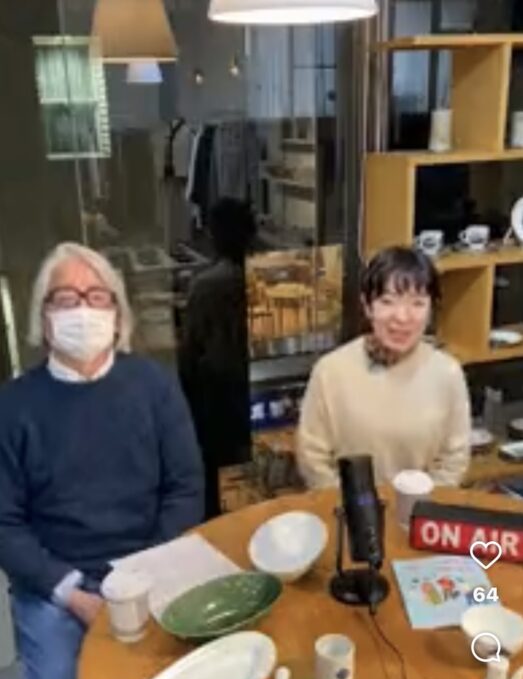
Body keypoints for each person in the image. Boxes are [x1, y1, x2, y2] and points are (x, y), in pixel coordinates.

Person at [0, 243, 204, 679]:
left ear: (118, 314)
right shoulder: (14, 405)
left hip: (148, 570)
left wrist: (142, 575)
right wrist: (72, 593)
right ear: (42, 316)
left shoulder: (153, 386)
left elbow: (184, 487)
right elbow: (5, 524)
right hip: (56, 586)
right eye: (65, 298)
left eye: (95, 297)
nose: (82, 310)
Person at [297, 246, 471, 488]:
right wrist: (354, 505)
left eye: (417, 303)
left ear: (431, 309)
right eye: (388, 301)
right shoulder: (330, 371)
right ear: (367, 306)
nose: (402, 317)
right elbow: (312, 459)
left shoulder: (447, 373)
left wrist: (418, 502)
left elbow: (454, 460)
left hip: (421, 506)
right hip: (348, 507)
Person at [179, 198, 254, 519]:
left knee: (217, 477)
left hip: (217, 399)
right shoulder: (263, 277)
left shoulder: (206, 286)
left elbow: (189, 355)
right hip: (254, 392)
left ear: (214, 236)